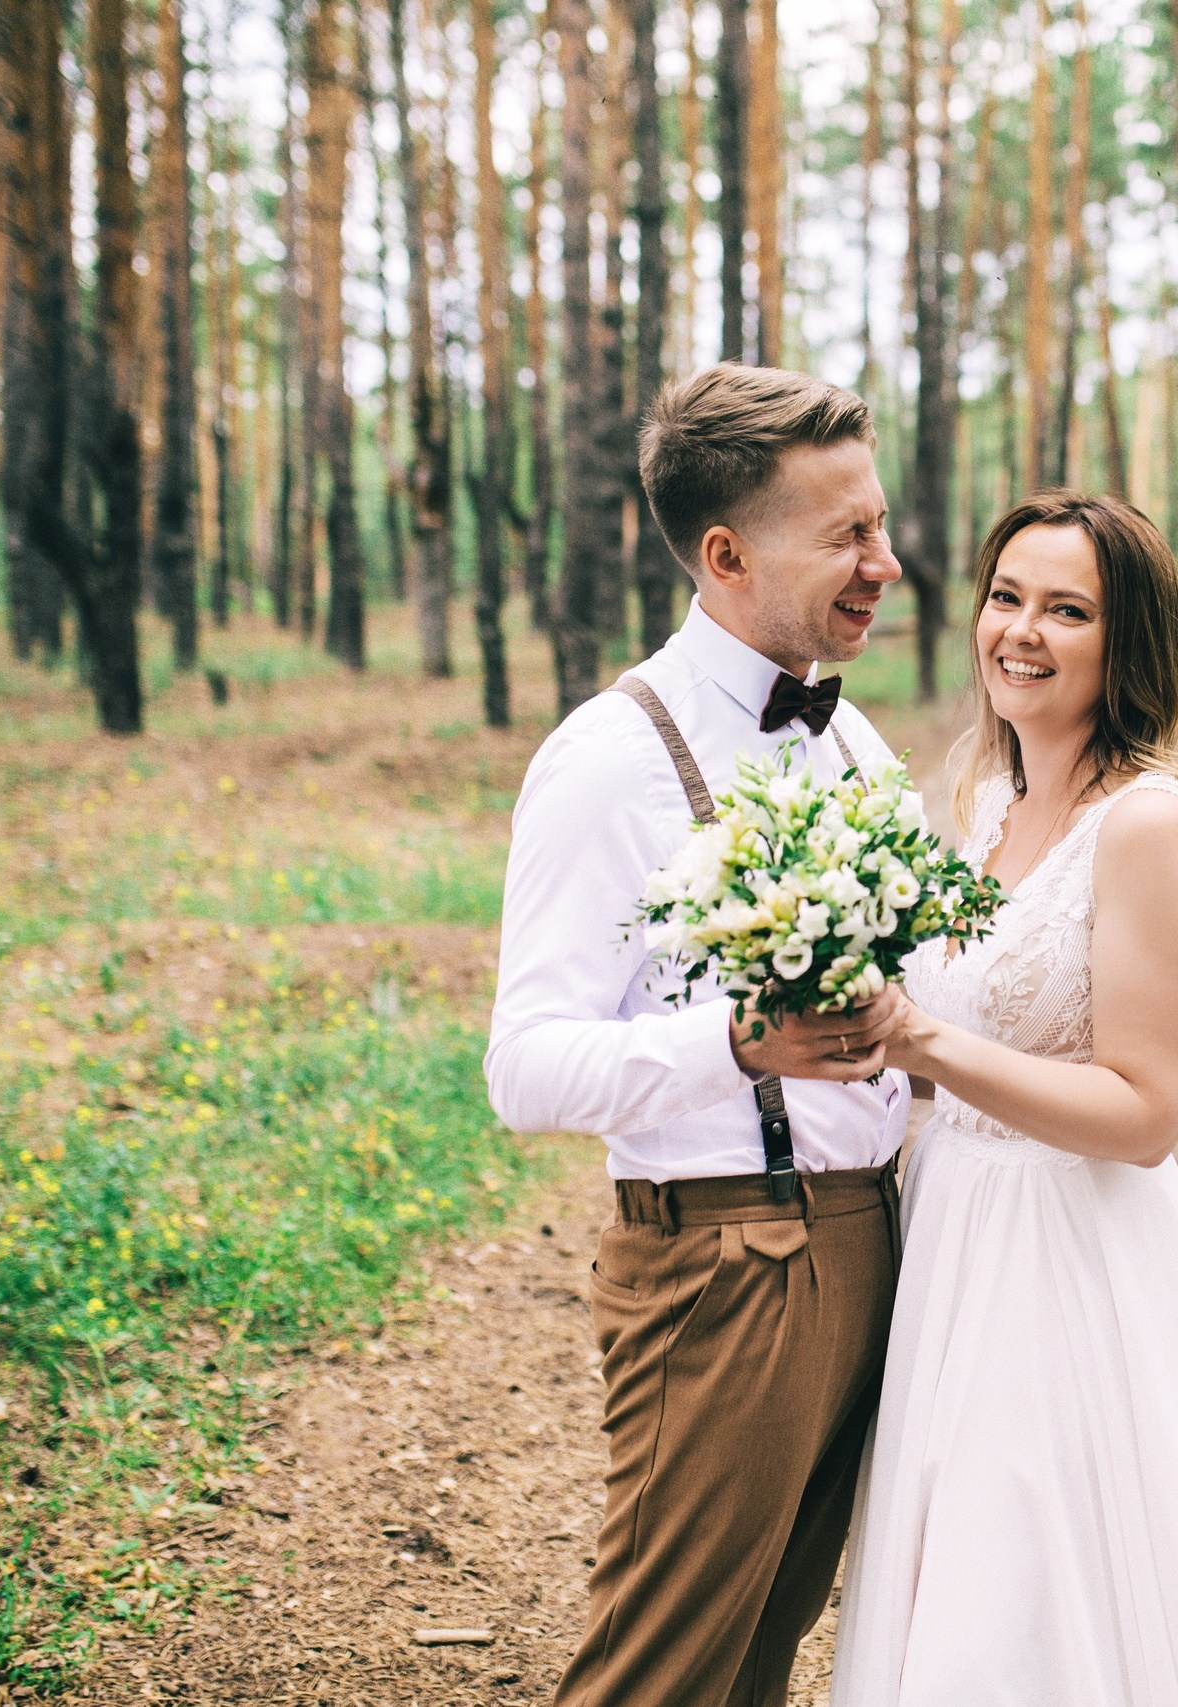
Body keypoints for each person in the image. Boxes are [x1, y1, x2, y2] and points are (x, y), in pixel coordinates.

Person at [833, 491, 1178, 1705]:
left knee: (1031, 1578)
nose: (1020, 632)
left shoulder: (1149, 823)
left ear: (1124, 641)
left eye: (1066, 610)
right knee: (956, 1569)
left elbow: (1147, 1114)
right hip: (954, 1231)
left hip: (1065, 1248)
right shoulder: (989, 804)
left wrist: (920, 1041)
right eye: (1005, 597)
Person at [485, 364, 911, 1707]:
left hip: (872, 1238)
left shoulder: (857, 748)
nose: (886, 564)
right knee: (657, 1672)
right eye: (847, 535)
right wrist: (734, 1046)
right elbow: (524, 1065)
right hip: (724, 1265)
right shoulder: (609, 757)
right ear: (726, 554)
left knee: (758, 1661)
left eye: (880, 524)